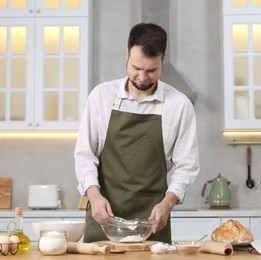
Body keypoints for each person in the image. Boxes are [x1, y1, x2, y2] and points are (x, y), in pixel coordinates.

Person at [74, 23, 199, 243]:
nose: (142, 77)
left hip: (152, 222)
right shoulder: (101, 97)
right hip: (104, 217)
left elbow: (187, 167)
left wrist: (167, 203)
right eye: (136, 68)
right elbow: (84, 155)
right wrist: (93, 196)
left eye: (151, 70)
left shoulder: (179, 105)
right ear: (127, 54)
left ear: (163, 58)